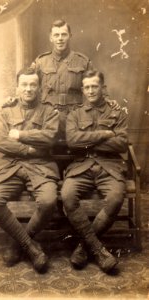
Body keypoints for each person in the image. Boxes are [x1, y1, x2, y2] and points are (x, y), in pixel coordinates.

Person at [0, 68, 60, 273]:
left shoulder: (49, 111)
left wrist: (19, 134)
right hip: (11, 166)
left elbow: (49, 138)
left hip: (40, 166)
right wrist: (27, 148)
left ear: (39, 87)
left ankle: (17, 244)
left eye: (33, 85)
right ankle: (30, 246)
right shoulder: (7, 110)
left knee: (48, 202)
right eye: (24, 85)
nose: (28, 89)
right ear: (17, 87)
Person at [61, 70, 128, 273]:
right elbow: (73, 142)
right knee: (67, 195)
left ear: (102, 88)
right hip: (82, 165)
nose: (91, 90)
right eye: (87, 87)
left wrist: (88, 141)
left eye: (95, 86)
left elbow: (121, 144)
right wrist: (105, 134)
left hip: (110, 166)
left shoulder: (117, 113)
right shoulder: (75, 114)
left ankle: (84, 246)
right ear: (82, 90)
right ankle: (98, 250)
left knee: (116, 197)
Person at [32, 19, 118, 146]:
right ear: (51, 38)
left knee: (75, 150)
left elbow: (95, 83)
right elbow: (28, 84)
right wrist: (14, 99)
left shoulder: (82, 61)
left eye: (64, 34)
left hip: (74, 117)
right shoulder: (41, 62)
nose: (60, 38)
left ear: (70, 36)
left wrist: (108, 99)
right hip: (48, 117)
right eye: (56, 35)